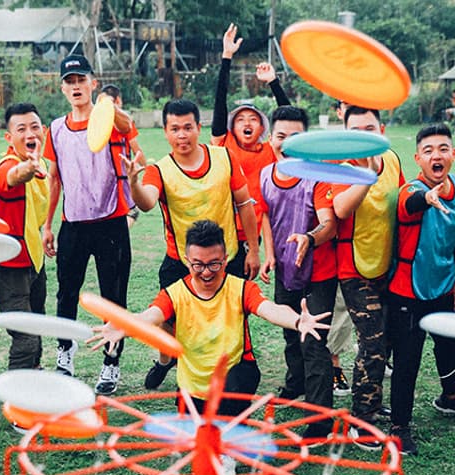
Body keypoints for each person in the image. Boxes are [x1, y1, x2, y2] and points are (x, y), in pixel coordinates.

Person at [88, 219, 328, 423]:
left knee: (226, 411)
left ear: (225, 259)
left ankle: (229, 433)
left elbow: (270, 310)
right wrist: (125, 325)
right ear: (187, 261)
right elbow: (150, 316)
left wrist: (298, 321)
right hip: (193, 385)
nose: (206, 272)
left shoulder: (241, 288)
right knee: (198, 433)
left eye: (214, 264)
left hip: (234, 375)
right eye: (198, 265)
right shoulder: (174, 293)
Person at [125, 98, 260, 390]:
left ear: (199, 127)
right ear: (165, 131)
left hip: (225, 258)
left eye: (188, 127)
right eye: (175, 129)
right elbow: (146, 202)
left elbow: (245, 205)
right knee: (169, 321)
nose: (182, 135)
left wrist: (253, 249)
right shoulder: (159, 170)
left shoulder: (224, 158)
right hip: (181, 261)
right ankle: (165, 360)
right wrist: (134, 183)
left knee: (228, 319)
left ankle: (227, 373)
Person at [388, 123, 455, 456]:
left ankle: (451, 398)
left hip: (444, 284)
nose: (436, 156)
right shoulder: (409, 190)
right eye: (428, 151)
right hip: (408, 290)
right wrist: (428, 198)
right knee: (407, 359)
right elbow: (411, 204)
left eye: (443, 149)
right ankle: (399, 427)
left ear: (453, 154)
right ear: (418, 159)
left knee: (450, 344)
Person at [42, 55, 134, 395]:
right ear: (62, 88)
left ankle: (111, 362)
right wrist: (47, 225)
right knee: (66, 292)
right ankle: (65, 353)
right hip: (74, 224)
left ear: (93, 83)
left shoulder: (108, 120)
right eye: (70, 81)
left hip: (111, 223)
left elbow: (128, 127)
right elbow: (54, 179)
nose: (76, 86)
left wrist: (107, 107)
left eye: (82, 79)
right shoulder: (56, 129)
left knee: (113, 296)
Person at [258, 105, 337, 439]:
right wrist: (269, 254)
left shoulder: (318, 176)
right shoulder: (266, 174)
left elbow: (329, 223)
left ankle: (320, 422)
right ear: (270, 139)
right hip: (285, 269)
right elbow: (265, 214)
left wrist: (309, 238)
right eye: (281, 136)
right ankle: (296, 384)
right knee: (291, 332)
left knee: (313, 340)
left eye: (296, 137)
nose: (287, 143)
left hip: (319, 272)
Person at [331, 106, 405, 448]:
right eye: (355, 131)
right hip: (354, 268)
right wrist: (368, 175)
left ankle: (372, 400)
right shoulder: (340, 165)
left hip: (388, 265)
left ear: (382, 130)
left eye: (370, 129)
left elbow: (401, 204)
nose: (363, 137)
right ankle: (361, 420)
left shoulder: (392, 159)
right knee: (372, 342)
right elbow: (341, 209)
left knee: (385, 340)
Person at [211, 23, 291, 278]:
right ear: (232, 127)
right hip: (220, 231)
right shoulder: (224, 143)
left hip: (252, 235)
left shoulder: (270, 151)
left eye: (253, 119)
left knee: (242, 291)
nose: (247, 123)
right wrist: (226, 57)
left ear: (262, 128)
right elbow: (220, 102)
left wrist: (273, 82)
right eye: (240, 119)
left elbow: (290, 122)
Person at [0, 102, 49, 370]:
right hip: (8, 266)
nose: (30, 134)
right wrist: (28, 168)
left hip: (33, 259)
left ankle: (34, 379)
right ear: (9, 138)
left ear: (43, 130)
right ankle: (16, 392)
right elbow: (14, 176)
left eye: (34, 127)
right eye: (21, 129)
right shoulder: (7, 166)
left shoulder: (40, 162)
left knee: (37, 324)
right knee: (26, 338)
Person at [99, 83, 144, 228]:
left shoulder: (96, 121)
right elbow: (136, 148)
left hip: (101, 177)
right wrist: (147, 168)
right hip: (122, 176)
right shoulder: (124, 121)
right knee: (131, 211)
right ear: (118, 100)